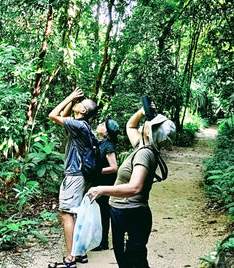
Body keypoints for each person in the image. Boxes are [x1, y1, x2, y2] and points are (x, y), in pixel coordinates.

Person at [85, 103, 175, 268]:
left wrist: (102, 190)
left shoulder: (144, 154)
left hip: (131, 213)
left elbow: (135, 188)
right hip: (124, 211)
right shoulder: (143, 146)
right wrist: (142, 111)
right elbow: (130, 125)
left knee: (134, 260)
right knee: (127, 259)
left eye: (151, 122)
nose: (147, 121)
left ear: (150, 132)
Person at [48, 87, 98, 268]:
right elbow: (64, 116)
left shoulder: (78, 126)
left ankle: (70, 260)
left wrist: (69, 97)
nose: (77, 102)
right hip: (79, 175)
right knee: (73, 212)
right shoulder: (80, 126)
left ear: (84, 111)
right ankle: (80, 253)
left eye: (80, 103)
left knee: (66, 213)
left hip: (74, 175)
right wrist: (72, 102)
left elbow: (53, 115)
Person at [91, 116, 120, 251]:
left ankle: (103, 242)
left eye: (102, 124)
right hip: (99, 181)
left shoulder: (108, 146)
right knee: (99, 211)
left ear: (107, 131)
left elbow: (114, 167)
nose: (99, 124)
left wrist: (97, 171)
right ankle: (99, 240)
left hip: (106, 182)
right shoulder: (100, 142)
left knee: (104, 211)